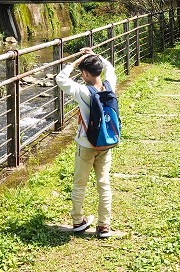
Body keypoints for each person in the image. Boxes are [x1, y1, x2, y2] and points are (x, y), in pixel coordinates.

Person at [55, 46, 117, 239]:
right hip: (106, 142)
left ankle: (78, 221)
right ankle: (104, 226)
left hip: (86, 144)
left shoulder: (83, 91)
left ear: (85, 73)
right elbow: (111, 69)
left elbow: (60, 79)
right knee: (103, 183)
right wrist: (96, 56)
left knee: (80, 183)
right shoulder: (110, 86)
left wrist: (74, 62)